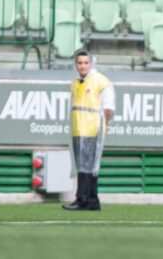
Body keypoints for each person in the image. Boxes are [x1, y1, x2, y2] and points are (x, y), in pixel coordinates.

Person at [63, 51, 114, 211]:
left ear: (91, 64)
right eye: (79, 63)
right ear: (76, 64)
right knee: (85, 166)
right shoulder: (75, 83)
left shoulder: (100, 81)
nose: (82, 66)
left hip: (92, 131)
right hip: (78, 130)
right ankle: (92, 201)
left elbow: (109, 108)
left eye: (85, 63)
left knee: (86, 166)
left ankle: (82, 200)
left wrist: (102, 125)